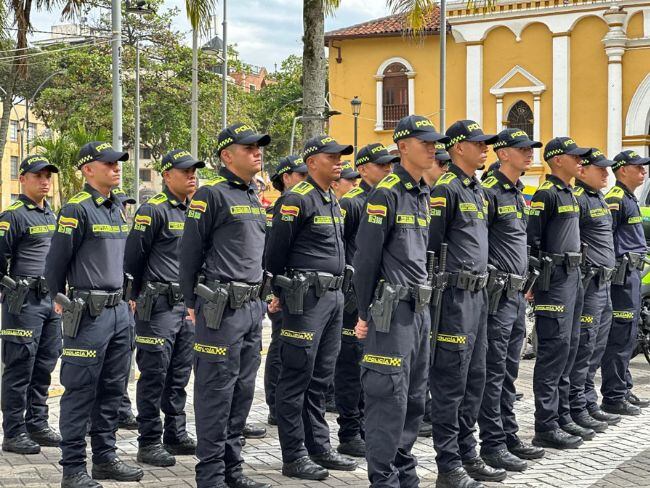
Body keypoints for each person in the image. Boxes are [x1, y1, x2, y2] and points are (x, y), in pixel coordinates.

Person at [45, 142, 143, 488]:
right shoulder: (77, 209)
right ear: (88, 169)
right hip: (88, 314)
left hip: (118, 312)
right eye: (109, 164)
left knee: (113, 390)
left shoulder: (116, 208)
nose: (117, 168)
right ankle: (73, 469)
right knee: (80, 391)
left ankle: (104, 459)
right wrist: (61, 300)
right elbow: (55, 264)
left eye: (118, 164)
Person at [353, 115, 444, 488]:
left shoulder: (422, 193)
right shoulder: (386, 193)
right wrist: (364, 313)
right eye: (425, 143)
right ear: (403, 147)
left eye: (434, 143)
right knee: (387, 398)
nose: (432, 149)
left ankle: (404, 473)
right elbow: (365, 260)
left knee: (413, 398)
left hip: (418, 311)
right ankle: (384, 478)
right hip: (391, 314)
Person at [179, 123, 271, 488]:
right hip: (221, 310)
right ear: (227, 155)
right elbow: (190, 253)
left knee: (242, 391)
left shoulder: (252, 195)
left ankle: (233, 471)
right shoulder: (211, 195)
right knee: (216, 392)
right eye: (248, 147)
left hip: (251, 308)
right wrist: (191, 302)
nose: (257, 152)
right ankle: (211, 475)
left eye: (258, 146)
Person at [266, 135, 358, 480]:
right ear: (312, 162)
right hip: (305, 299)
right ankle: (294, 455)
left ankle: (318, 446)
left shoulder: (330, 198)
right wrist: (279, 291)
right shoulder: (296, 199)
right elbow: (275, 253)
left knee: (320, 378)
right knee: (296, 376)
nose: (339, 162)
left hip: (333, 297)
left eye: (340, 156)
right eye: (332, 157)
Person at [428, 120, 505, 488]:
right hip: (454, 298)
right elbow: (430, 247)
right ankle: (448, 465)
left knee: (475, 379)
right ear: (458, 147)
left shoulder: (477, 190)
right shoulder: (446, 190)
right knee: (451, 383)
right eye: (478, 143)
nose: (485, 148)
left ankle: (467, 453)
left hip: (478, 296)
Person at [125, 150, 203, 467]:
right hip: (157, 307)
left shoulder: (196, 211)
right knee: (154, 375)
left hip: (186, 307)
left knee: (179, 374)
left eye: (194, 171)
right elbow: (133, 257)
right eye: (185, 171)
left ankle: (175, 433)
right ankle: (148, 442)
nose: (191, 176)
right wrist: (133, 295)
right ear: (167, 176)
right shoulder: (153, 210)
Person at [477, 129, 545, 473]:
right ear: (503, 153)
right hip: (496, 295)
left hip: (516, 294)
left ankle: (507, 434)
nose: (530, 153)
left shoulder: (518, 192)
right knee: (494, 370)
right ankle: (492, 443)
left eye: (531, 148)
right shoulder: (488, 192)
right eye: (522, 149)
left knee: (509, 370)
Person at [527, 137, 592, 450]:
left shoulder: (571, 193)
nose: (580, 161)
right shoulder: (546, 194)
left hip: (573, 278)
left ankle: (563, 415)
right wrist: (534, 284)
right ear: (557, 160)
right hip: (554, 283)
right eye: (574, 156)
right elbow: (533, 241)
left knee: (569, 349)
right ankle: (546, 424)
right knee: (553, 353)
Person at [335, 143, 396, 458]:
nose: (388, 169)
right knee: (351, 365)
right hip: (353, 296)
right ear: (362, 169)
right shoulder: (352, 203)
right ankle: (349, 431)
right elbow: (341, 248)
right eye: (381, 164)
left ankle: (368, 427)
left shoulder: (389, 198)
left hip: (382, 298)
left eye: (390, 164)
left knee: (374, 367)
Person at [0, 155, 61, 455]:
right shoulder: (13, 216)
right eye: (38, 176)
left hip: (50, 301)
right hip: (23, 303)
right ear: (23, 179)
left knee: (45, 364)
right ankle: (13, 432)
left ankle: (37, 423)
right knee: (19, 366)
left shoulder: (52, 215)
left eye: (47, 176)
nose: (44, 181)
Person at [568, 149, 620, 430]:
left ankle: (588, 401)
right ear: (583, 170)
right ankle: (576, 406)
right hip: (588, 284)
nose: (606, 173)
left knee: (597, 346)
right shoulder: (578, 199)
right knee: (584, 347)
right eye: (600, 169)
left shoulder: (598, 197)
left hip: (604, 283)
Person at [600, 150, 650, 416]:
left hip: (632, 274)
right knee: (618, 337)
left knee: (629, 336)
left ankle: (623, 387)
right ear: (622, 170)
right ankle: (613, 396)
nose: (643, 171)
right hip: (621, 277)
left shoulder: (629, 198)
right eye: (638, 167)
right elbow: (606, 240)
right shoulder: (616, 199)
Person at [264, 155, 308, 426]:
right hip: (282, 288)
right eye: (301, 175)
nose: (306, 179)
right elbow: (271, 254)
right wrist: (272, 292)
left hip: (297, 290)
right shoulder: (279, 209)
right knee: (280, 346)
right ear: (286, 177)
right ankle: (274, 404)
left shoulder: (304, 204)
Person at [419, 142, 451, 439]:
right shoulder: (426, 195)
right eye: (441, 163)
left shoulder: (431, 195)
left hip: (436, 284)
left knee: (431, 350)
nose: (445, 168)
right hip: (422, 284)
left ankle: (427, 405)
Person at [112, 187, 139, 431]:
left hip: (124, 303)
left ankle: (122, 409)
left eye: (126, 206)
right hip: (103, 305)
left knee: (122, 360)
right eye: (121, 205)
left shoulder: (125, 233)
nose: (124, 210)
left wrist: (132, 295)